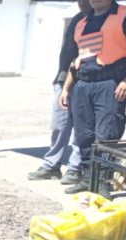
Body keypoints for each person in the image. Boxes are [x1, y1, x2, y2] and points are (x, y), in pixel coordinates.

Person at [59, 0, 126, 197]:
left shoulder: (124, 15)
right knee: (84, 135)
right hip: (83, 84)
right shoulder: (82, 21)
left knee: (106, 134)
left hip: (110, 83)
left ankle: (104, 181)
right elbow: (78, 59)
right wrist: (66, 89)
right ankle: (89, 178)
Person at [27, 0, 92, 183]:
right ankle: (51, 165)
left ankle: (75, 168)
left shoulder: (101, 21)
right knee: (59, 125)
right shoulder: (78, 19)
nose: (83, 2)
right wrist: (59, 75)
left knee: (81, 128)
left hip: (86, 81)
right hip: (64, 79)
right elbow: (68, 51)